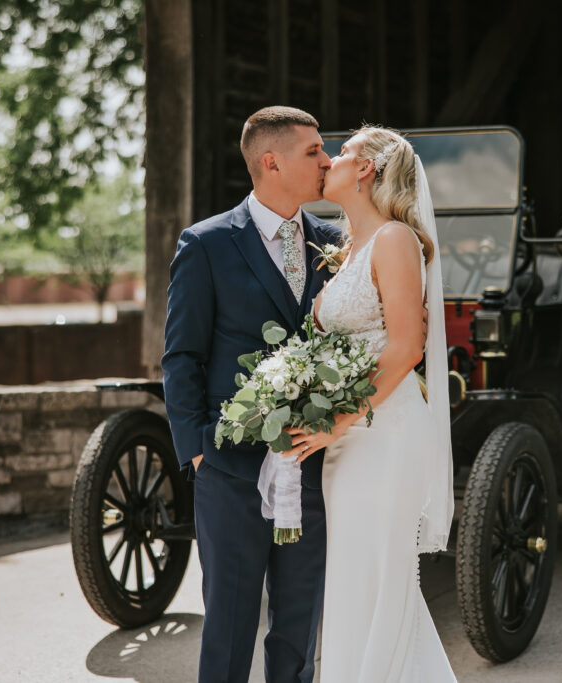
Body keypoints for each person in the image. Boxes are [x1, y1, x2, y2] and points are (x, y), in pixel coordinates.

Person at [162, 106, 342, 683]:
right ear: (272, 161)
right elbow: (181, 358)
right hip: (230, 474)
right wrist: (198, 453)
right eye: (313, 151)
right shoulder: (208, 244)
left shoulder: (339, 246)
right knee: (229, 631)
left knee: (297, 635)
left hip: (312, 468)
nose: (327, 160)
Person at [282, 126, 457, 681]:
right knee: (355, 580)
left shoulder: (395, 240)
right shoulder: (347, 248)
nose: (329, 160)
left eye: (343, 153)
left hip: (386, 434)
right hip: (347, 440)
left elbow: (406, 347)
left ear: (366, 171)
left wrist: (335, 421)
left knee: (382, 579)